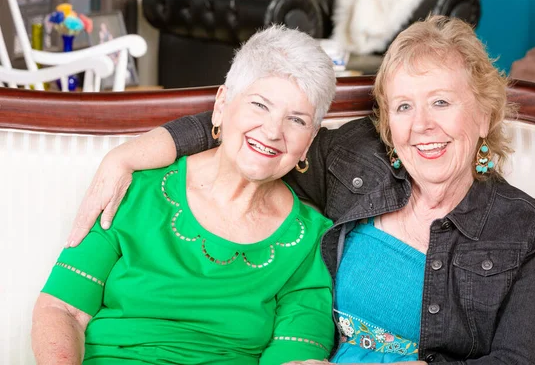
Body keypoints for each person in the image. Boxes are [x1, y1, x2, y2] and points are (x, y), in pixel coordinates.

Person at [64, 16, 535, 364]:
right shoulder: (352, 160)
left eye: (441, 102)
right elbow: (253, 129)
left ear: (485, 115)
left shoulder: (527, 228)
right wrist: (127, 153)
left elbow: (521, 358)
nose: (421, 126)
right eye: (403, 107)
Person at [31, 25, 338, 365]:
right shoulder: (136, 190)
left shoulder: (312, 240)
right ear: (221, 105)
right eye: (259, 105)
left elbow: (296, 354)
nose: (272, 131)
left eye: (296, 120)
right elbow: (63, 309)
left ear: (309, 141)